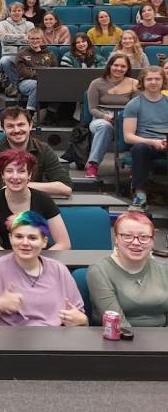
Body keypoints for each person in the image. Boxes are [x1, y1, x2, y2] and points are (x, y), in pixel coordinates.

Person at [0, 211, 87, 327]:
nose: (25, 243)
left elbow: (81, 317)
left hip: (54, 340)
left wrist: (81, 320)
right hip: (8, 340)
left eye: (32, 238)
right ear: (10, 238)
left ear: (44, 242)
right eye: (18, 236)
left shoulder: (59, 270)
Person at [87, 212, 168, 327]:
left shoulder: (164, 269)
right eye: (127, 236)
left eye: (144, 237)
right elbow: (118, 324)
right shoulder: (99, 271)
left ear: (152, 241)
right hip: (120, 340)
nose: (135, 242)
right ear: (116, 238)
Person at [0, 149, 72, 251]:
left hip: (41, 257)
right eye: (9, 171)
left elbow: (64, 244)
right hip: (8, 258)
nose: (15, 177)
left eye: (21, 171)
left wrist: (38, 261)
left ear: (29, 175)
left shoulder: (44, 199)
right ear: (2, 175)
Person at [0, 108, 73, 197]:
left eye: (21, 125)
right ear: (3, 129)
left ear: (30, 125)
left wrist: (21, 184)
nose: (16, 130)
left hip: (34, 202)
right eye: (10, 126)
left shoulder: (43, 149)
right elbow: (0, 187)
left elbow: (66, 187)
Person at [85, 55, 139, 178]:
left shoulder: (134, 84)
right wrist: (104, 116)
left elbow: (136, 107)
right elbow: (92, 108)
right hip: (101, 117)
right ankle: (93, 164)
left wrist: (121, 117)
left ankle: (134, 165)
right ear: (110, 66)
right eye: (116, 65)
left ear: (127, 68)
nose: (119, 68)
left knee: (139, 126)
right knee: (105, 127)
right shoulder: (96, 83)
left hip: (126, 117)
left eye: (123, 66)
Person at [122, 66, 168, 210]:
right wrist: (152, 142)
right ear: (143, 81)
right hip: (146, 143)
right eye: (149, 79)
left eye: (157, 79)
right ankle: (140, 196)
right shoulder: (134, 104)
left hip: (166, 142)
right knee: (139, 149)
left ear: (163, 81)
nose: (153, 82)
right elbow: (128, 136)